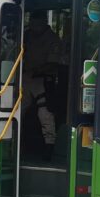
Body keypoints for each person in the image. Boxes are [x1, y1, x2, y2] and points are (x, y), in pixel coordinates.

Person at [22, 10, 66, 160]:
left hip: (43, 80)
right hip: (25, 78)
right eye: (31, 23)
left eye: (36, 23)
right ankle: (14, 145)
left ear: (43, 22)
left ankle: (49, 148)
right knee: (15, 111)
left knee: (45, 114)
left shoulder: (52, 40)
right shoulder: (26, 36)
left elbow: (53, 64)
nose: (33, 26)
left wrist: (35, 70)